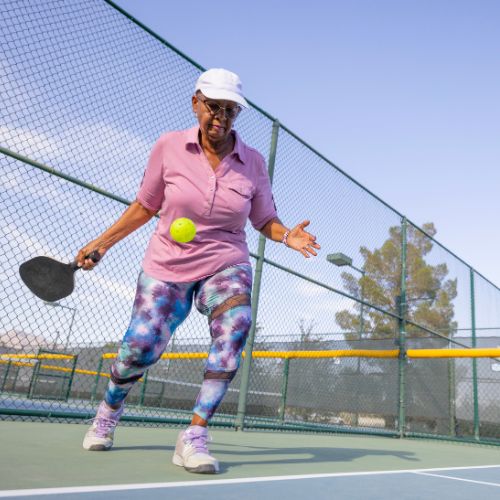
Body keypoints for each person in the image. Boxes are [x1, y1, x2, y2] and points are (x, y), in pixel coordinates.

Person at [78, 68, 320, 474]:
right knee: (140, 346)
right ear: (196, 103)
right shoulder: (168, 147)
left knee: (236, 326)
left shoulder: (254, 163)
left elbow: (265, 219)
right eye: (213, 107)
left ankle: (193, 435)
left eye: (230, 110)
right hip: (167, 262)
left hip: (226, 260)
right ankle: (108, 411)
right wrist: (101, 243)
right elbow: (144, 206)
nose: (221, 118)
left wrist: (285, 237)